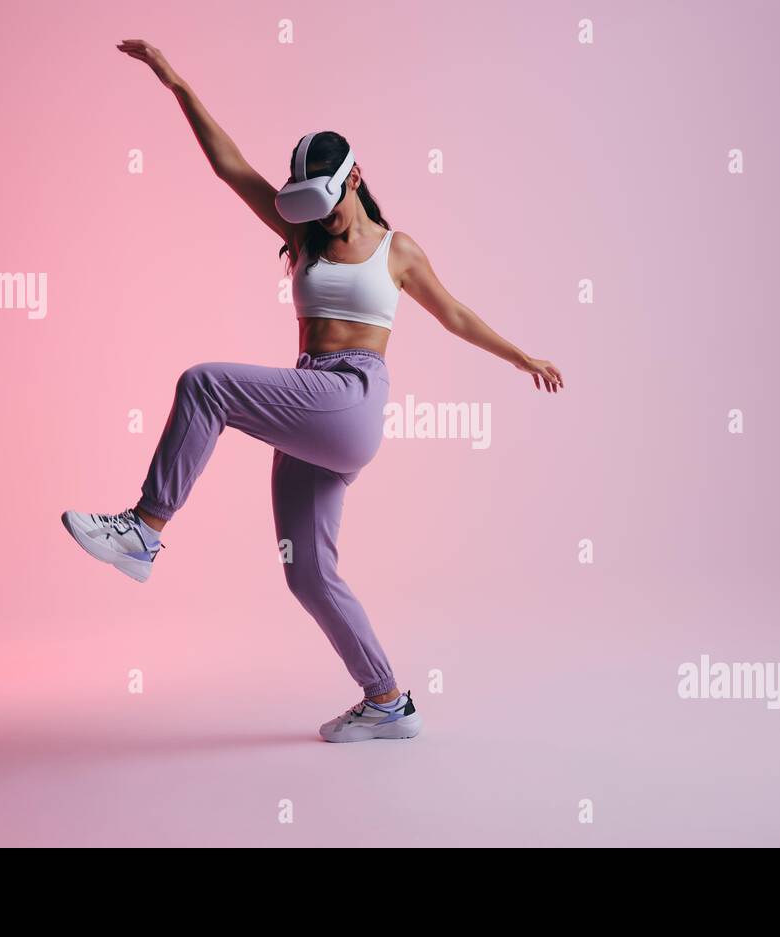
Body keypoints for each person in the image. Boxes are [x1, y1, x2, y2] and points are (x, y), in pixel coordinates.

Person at [61, 40, 565, 743]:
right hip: (309, 401)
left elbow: (453, 314)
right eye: (310, 210)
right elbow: (230, 167)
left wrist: (521, 356)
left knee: (204, 386)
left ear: (355, 177)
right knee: (308, 574)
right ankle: (388, 699)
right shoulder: (302, 235)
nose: (321, 220)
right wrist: (175, 81)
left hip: (352, 401)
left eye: (327, 206)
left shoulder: (398, 249)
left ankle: (144, 530)